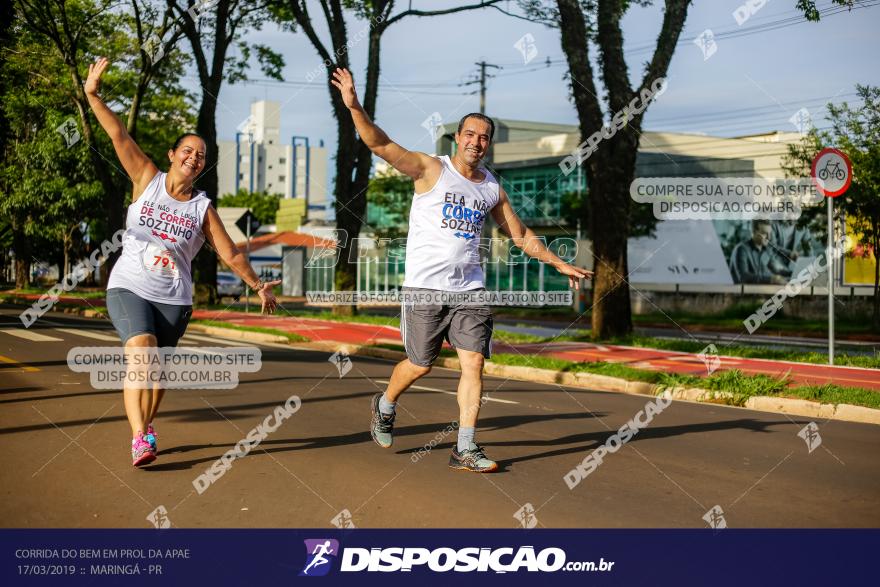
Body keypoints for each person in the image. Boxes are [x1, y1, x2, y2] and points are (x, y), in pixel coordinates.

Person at [331, 68, 592, 473]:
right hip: (424, 289)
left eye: (484, 136)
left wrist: (557, 262)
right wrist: (353, 105)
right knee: (420, 364)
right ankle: (384, 405)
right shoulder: (429, 169)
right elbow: (379, 144)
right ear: (458, 138)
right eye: (470, 134)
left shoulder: (491, 187)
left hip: (470, 291)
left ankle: (464, 448)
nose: (477, 142)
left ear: (489, 144)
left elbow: (520, 234)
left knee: (474, 363)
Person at [85, 57, 280, 467]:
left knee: (156, 375)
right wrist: (93, 95)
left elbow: (229, 252)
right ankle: (139, 437)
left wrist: (257, 284)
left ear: (202, 166)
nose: (193, 157)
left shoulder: (203, 208)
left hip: (174, 298)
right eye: (187, 150)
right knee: (141, 353)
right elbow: (118, 134)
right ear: (173, 154)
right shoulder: (146, 178)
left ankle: (148, 427)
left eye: (201, 154)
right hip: (129, 285)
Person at [729, 220, 788, 284]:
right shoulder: (741, 250)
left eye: (770, 233)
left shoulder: (766, 250)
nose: (769, 237)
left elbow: (776, 270)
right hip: (742, 292)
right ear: (754, 232)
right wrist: (771, 279)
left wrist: (793, 273)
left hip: (760, 291)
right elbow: (744, 277)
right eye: (765, 233)